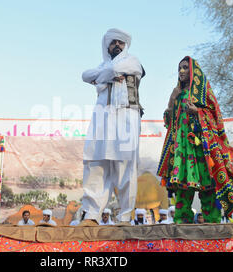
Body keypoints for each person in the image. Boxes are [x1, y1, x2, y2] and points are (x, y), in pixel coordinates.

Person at [156, 56, 233, 224]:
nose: (181, 71)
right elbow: (168, 120)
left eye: (185, 67)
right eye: (179, 68)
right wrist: (172, 99)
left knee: (208, 186)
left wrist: (197, 112)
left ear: (194, 71)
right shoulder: (178, 93)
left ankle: (213, 223)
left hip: (202, 149)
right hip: (182, 149)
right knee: (182, 189)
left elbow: (216, 118)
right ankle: (181, 223)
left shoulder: (204, 92)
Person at [81, 28, 145, 225]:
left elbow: (108, 72)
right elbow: (84, 75)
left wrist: (101, 76)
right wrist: (105, 74)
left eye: (121, 43)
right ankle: (91, 215)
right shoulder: (103, 65)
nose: (117, 45)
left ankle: (125, 216)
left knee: (125, 166)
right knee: (97, 163)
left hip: (126, 117)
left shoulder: (132, 61)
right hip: (103, 118)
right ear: (107, 46)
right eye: (113, 42)